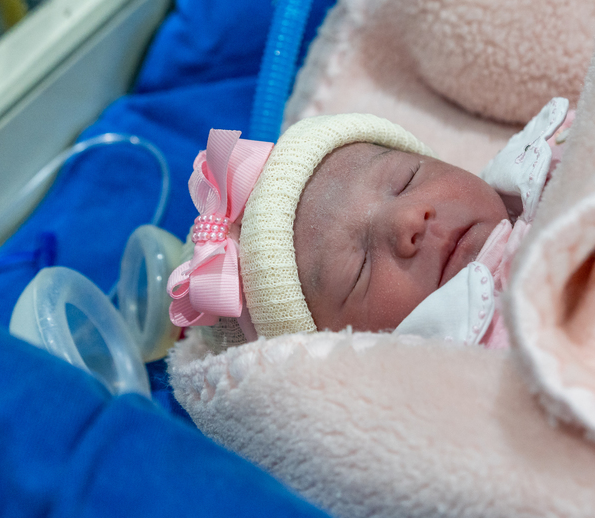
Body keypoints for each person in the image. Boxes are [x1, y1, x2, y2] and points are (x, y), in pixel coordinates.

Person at [166, 100, 572, 351]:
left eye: (407, 179)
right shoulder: (467, 381)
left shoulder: (550, 159)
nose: (408, 221)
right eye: (360, 268)